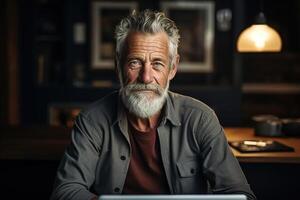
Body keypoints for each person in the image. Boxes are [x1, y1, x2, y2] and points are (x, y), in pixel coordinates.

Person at [50, 10, 256, 200]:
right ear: (118, 65)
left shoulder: (200, 118)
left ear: (173, 68)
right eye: (135, 62)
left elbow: (239, 193)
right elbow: (66, 191)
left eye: (157, 63)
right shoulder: (92, 120)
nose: (146, 77)